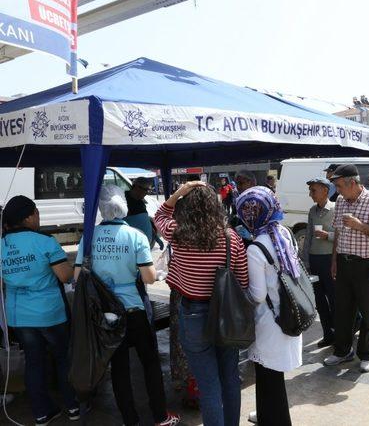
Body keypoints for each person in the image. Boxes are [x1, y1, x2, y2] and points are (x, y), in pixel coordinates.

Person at [73, 185, 179, 426]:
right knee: (150, 362)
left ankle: (130, 420)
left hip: (105, 314)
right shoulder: (136, 236)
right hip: (134, 311)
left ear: (100, 208)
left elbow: (78, 276)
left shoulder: (89, 237)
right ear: (124, 205)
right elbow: (149, 278)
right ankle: (160, 416)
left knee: (119, 368)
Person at [154, 181, 249, 426]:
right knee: (230, 378)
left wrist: (178, 193)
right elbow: (243, 282)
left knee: (208, 385)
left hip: (193, 313)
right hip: (226, 316)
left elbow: (159, 215)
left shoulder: (178, 232)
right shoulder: (232, 239)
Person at [1, 196, 80, 426]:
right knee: (62, 358)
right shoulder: (45, 241)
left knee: (34, 362)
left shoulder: (2, 245)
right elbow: (65, 276)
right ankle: (73, 406)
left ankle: (41, 414)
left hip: (19, 315)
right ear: (27, 218)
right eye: (36, 213)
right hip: (49, 313)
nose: (38, 217)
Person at [236, 187, 303, 426]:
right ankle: (266, 415)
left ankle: (278, 420)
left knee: (268, 377)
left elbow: (257, 294)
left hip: (268, 321)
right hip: (287, 313)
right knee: (271, 376)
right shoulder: (284, 233)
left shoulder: (256, 248)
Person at [323, 164, 369, 373]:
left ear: (352, 183)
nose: (337, 191)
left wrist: (359, 225)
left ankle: (367, 354)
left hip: (367, 264)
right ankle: (342, 351)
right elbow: (338, 233)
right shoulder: (341, 201)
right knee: (343, 311)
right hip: (344, 263)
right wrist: (334, 260)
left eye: (339, 186)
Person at [301, 177, 336, 348]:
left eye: (313, 190)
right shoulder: (312, 211)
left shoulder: (336, 209)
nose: (310, 194)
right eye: (310, 190)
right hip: (315, 260)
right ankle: (328, 333)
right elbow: (307, 237)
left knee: (334, 299)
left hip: (330, 260)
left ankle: (341, 334)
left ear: (325, 191)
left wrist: (328, 236)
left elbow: (344, 236)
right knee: (320, 301)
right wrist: (304, 261)